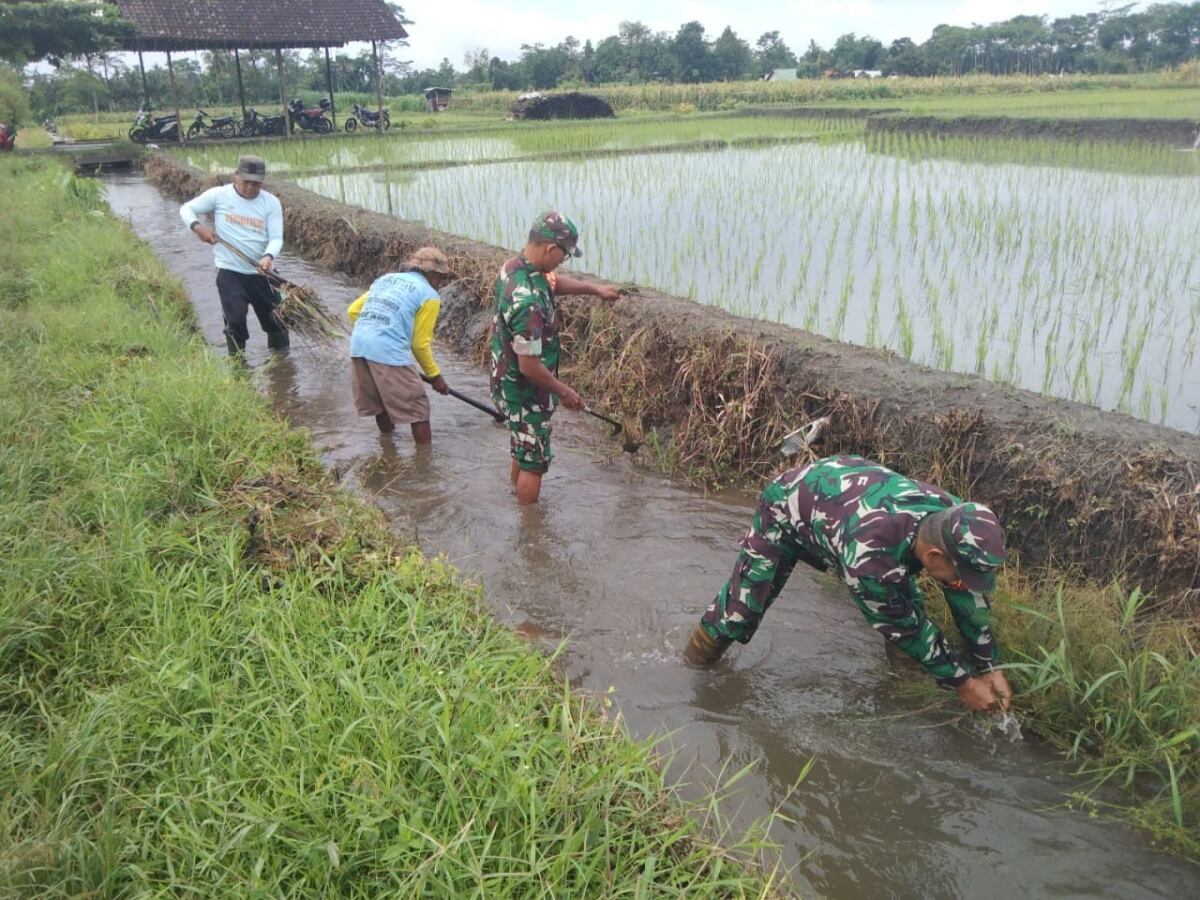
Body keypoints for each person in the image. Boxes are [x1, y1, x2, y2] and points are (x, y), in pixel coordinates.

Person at [684, 454, 1014, 713]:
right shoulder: (869, 561)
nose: (963, 582)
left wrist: (989, 665)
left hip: (851, 500)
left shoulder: (957, 519)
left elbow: (965, 595)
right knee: (740, 611)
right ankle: (690, 671)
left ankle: (906, 687)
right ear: (934, 556)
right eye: (960, 573)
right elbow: (906, 627)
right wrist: (963, 683)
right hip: (788, 505)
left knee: (906, 600)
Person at [490, 211, 620, 505]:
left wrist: (594, 289)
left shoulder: (515, 267)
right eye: (565, 255)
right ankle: (529, 525)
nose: (564, 261)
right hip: (524, 391)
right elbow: (529, 366)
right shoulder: (528, 302)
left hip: (505, 379)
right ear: (551, 249)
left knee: (524, 446)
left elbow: (551, 283)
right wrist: (564, 391)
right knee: (534, 462)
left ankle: (513, 501)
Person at [180, 155, 288, 356]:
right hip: (230, 272)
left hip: (262, 273)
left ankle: (282, 363)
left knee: (276, 321)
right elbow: (187, 209)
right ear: (236, 175)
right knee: (235, 321)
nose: (250, 187)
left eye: (256, 183)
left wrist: (268, 256)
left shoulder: (271, 203)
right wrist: (197, 227)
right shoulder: (219, 195)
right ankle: (238, 366)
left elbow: (276, 238)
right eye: (246, 181)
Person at [347, 247, 456, 445]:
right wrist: (435, 376)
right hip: (387, 350)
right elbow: (419, 344)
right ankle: (424, 460)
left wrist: (376, 332)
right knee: (418, 410)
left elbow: (353, 311)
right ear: (432, 275)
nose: (441, 284)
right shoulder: (429, 295)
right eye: (441, 278)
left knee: (380, 404)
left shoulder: (386, 280)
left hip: (359, 346)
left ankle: (388, 450)